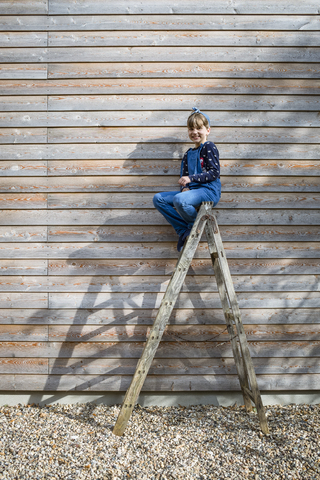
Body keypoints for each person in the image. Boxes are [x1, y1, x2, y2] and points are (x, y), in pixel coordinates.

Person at [153, 107, 221, 252]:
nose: (194, 132)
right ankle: (184, 230)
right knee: (158, 198)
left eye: (199, 128)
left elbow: (214, 173)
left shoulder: (209, 147)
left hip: (208, 190)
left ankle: (192, 228)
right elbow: (183, 176)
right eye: (191, 129)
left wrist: (191, 178)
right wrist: (184, 188)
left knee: (180, 200)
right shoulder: (188, 154)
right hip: (193, 192)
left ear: (208, 130)